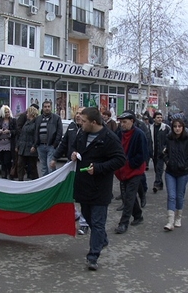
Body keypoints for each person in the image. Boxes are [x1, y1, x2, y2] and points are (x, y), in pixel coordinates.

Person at [71, 107, 125, 271]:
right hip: (83, 185)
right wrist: (72, 154)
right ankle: (102, 239)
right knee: (87, 216)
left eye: (84, 121)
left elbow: (120, 159)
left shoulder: (109, 137)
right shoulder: (82, 133)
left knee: (97, 222)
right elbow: (74, 148)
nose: (81, 123)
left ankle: (93, 256)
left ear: (94, 122)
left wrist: (99, 168)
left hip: (100, 187)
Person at [51, 107, 90, 235]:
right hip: (71, 164)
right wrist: (55, 157)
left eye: (81, 114)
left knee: (84, 195)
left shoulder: (89, 130)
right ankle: (75, 214)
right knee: (67, 190)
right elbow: (64, 143)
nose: (78, 116)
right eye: (77, 113)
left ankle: (84, 223)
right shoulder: (72, 127)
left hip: (84, 167)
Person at [114, 111, 147, 235]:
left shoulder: (139, 134)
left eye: (125, 122)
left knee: (129, 197)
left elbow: (143, 154)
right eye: (121, 122)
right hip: (122, 170)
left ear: (132, 121)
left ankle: (123, 223)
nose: (122, 125)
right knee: (128, 196)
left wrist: (131, 162)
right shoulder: (119, 134)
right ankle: (138, 216)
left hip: (135, 170)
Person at [162, 118, 188, 231]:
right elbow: (164, 152)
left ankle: (178, 217)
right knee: (171, 196)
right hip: (170, 171)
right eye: (175, 126)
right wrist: (167, 161)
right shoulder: (169, 138)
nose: (177, 129)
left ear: (183, 127)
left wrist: (186, 164)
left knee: (179, 196)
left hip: (182, 172)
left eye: (179, 126)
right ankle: (170, 221)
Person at [34, 100, 63, 176]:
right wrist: (36, 144)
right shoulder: (38, 119)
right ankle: (45, 186)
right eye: (45, 107)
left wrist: (55, 144)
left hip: (51, 146)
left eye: (48, 107)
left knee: (50, 166)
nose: (47, 108)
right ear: (42, 108)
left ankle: (53, 184)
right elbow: (36, 131)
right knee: (43, 168)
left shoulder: (56, 118)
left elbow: (59, 132)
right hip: (40, 146)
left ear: (51, 108)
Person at [0, 105, 17, 179]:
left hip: (9, 143)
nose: (7, 113)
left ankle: (10, 173)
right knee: (2, 160)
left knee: (7, 160)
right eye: (5, 112)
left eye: (8, 112)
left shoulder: (13, 120)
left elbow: (16, 131)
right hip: (0, 143)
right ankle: (4, 174)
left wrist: (9, 131)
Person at [15, 103, 40, 179]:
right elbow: (22, 135)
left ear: (32, 114)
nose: (26, 114)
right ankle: (20, 180)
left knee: (32, 166)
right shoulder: (26, 122)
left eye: (28, 113)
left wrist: (34, 145)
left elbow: (37, 135)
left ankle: (35, 181)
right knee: (20, 164)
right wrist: (17, 145)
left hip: (31, 148)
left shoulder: (36, 123)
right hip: (22, 147)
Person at [149, 112, 170, 193]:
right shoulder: (150, 128)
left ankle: (156, 184)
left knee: (159, 168)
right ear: (154, 119)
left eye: (160, 117)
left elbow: (169, 139)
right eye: (158, 117)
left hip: (162, 153)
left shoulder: (166, 128)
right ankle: (160, 184)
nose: (160, 119)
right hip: (154, 152)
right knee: (156, 169)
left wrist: (165, 148)